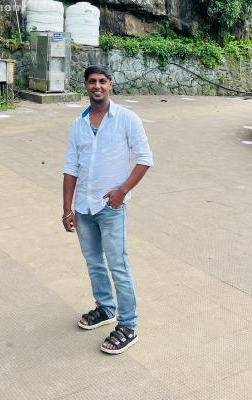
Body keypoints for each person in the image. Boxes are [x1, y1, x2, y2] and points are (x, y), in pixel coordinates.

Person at [62, 64, 153, 355]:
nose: (97, 86)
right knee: (94, 262)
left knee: (118, 265)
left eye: (102, 81)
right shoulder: (78, 124)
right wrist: (67, 209)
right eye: (92, 81)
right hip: (83, 207)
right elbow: (70, 168)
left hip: (110, 207)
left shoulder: (126, 119)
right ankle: (105, 308)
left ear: (110, 84)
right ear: (85, 86)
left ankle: (128, 325)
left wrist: (122, 191)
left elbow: (145, 159)